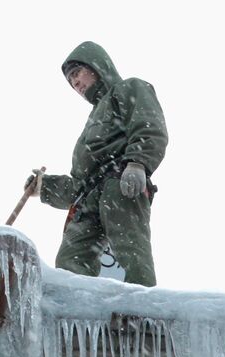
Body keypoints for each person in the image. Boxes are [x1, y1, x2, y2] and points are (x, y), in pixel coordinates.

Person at [29, 41, 167, 286]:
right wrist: (44, 187)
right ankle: (74, 312)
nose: (76, 84)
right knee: (70, 261)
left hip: (120, 185)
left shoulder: (128, 89)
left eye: (77, 74)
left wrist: (138, 163)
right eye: (71, 82)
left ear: (96, 66)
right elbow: (79, 185)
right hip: (87, 200)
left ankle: (143, 313)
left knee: (131, 249)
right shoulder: (92, 120)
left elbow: (150, 127)